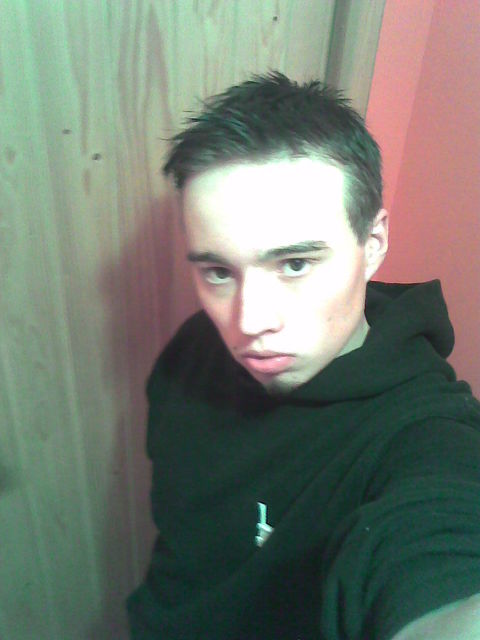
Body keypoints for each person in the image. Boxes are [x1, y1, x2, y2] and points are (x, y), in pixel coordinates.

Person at [126, 72, 480, 639]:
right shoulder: (191, 351)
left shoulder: (424, 434)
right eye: (218, 272)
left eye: (294, 264)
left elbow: (435, 559)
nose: (248, 323)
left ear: (373, 245)